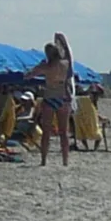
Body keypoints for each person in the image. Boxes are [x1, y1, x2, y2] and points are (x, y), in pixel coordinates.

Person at [32, 36, 74, 164]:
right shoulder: (65, 64)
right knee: (63, 132)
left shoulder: (46, 66)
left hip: (50, 97)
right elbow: (69, 56)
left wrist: (37, 67)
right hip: (63, 97)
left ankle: (44, 160)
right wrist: (64, 43)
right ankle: (65, 161)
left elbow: (29, 75)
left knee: (46, 132)